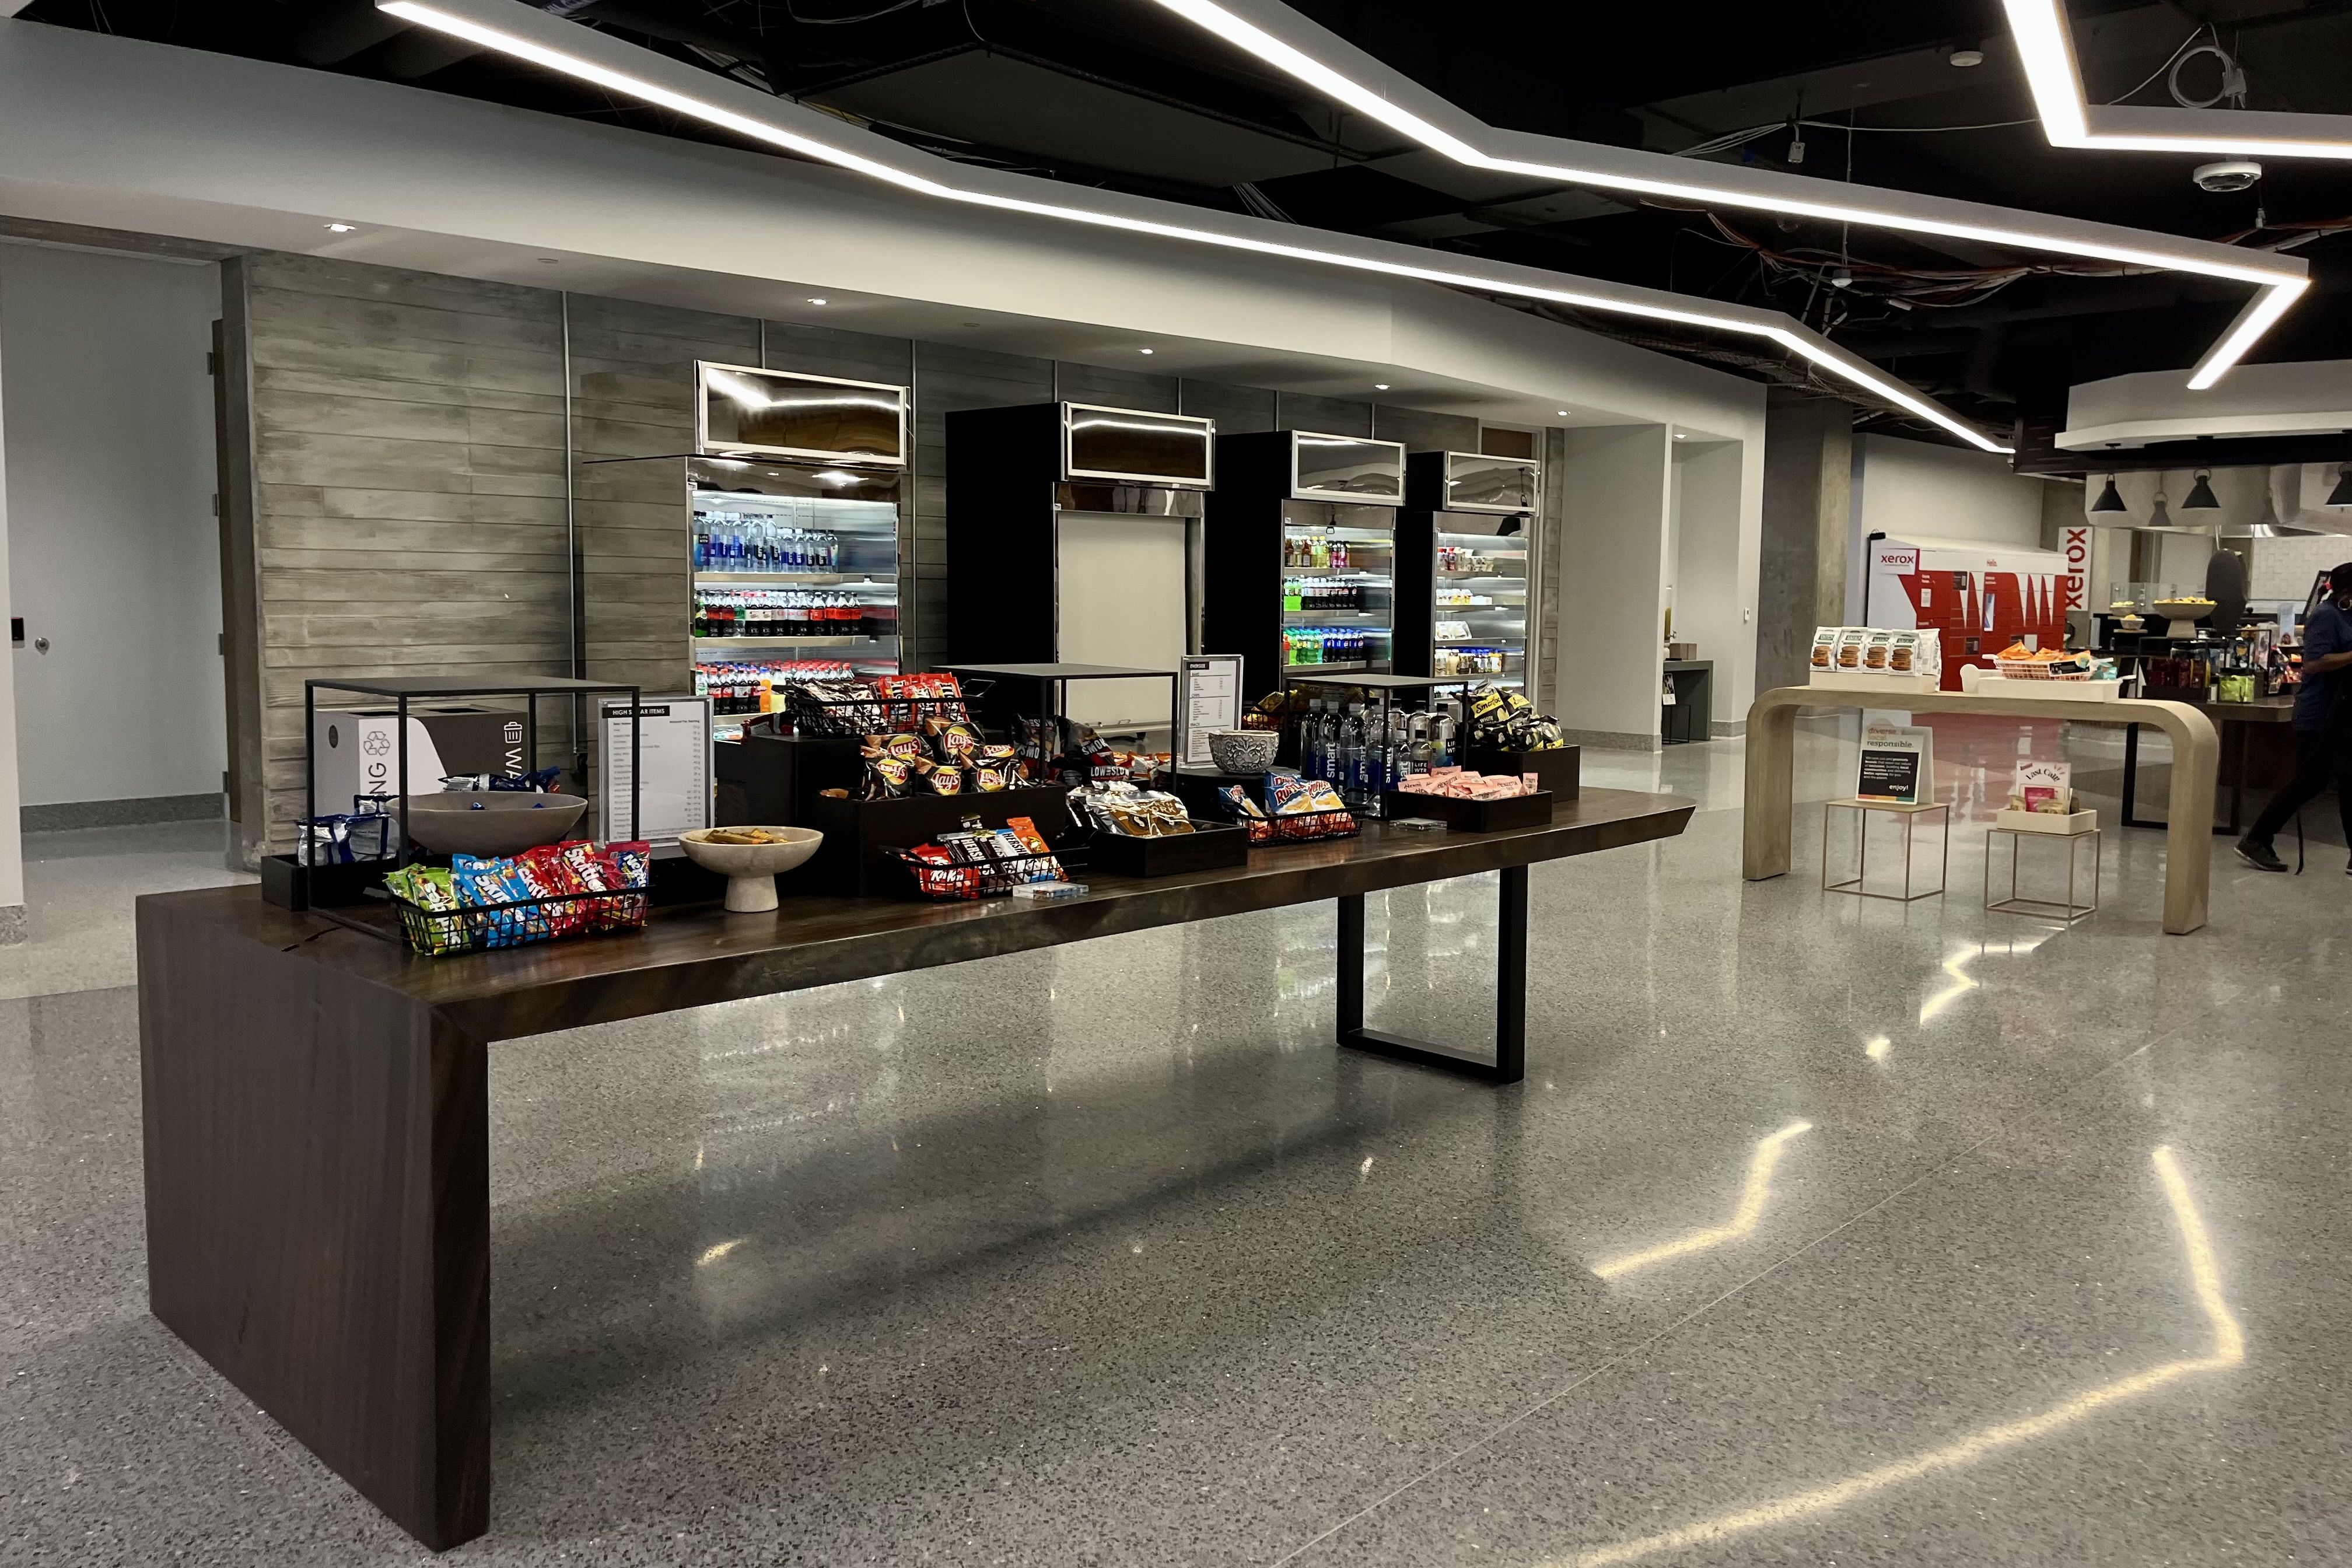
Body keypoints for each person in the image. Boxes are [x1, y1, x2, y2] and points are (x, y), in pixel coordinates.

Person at [2237, 562, 2352, 872]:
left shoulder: (2347, 616)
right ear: (2346, 592)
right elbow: (2314, 664)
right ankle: (2257, 838)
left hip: (2343, 714)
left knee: (2347, 778)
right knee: (2309, 781)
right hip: (2320, 714)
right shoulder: (2327, 617)